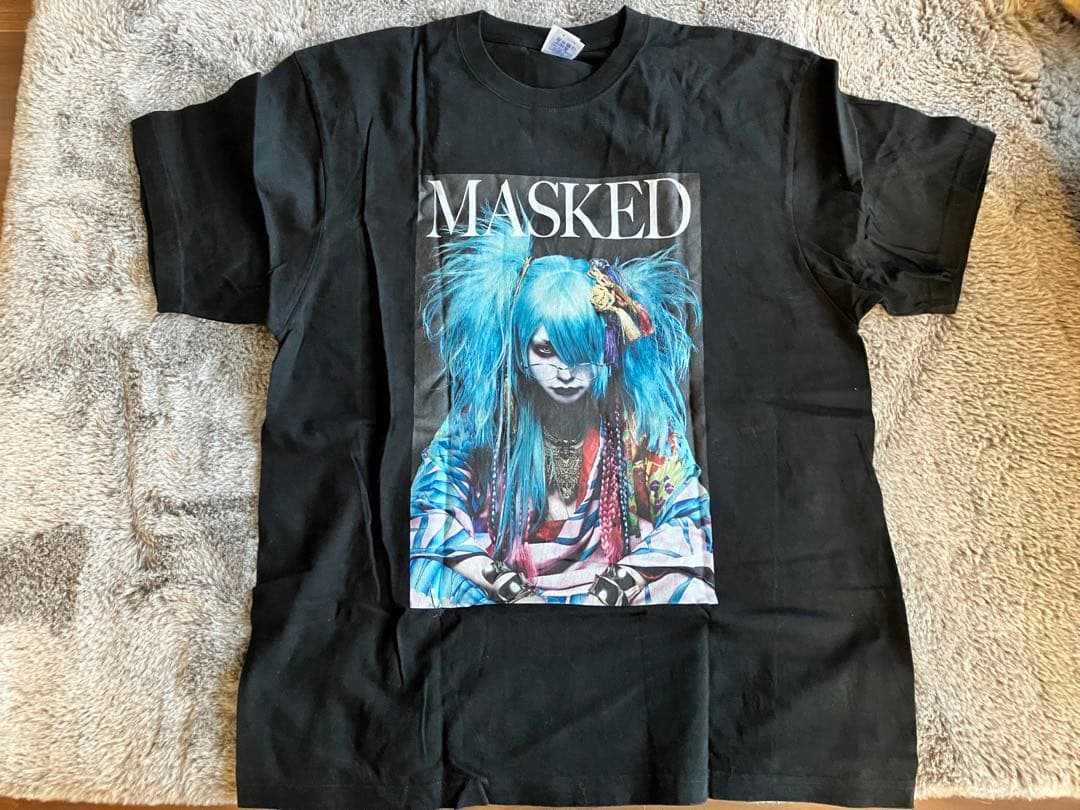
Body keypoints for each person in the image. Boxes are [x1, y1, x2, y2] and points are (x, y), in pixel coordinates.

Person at [409, 203, 717, 607]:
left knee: (689, 585)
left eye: (581, 352)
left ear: (606, 348)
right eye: (546, 350)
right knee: (430, 580)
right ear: (521, 348)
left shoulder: (633, 419)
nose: (565, 372)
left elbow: (691, 512)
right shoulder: (487, 416)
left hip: (610, 592)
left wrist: (618, 585)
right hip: (501, 594)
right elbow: (430, 505)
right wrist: (505, 586)